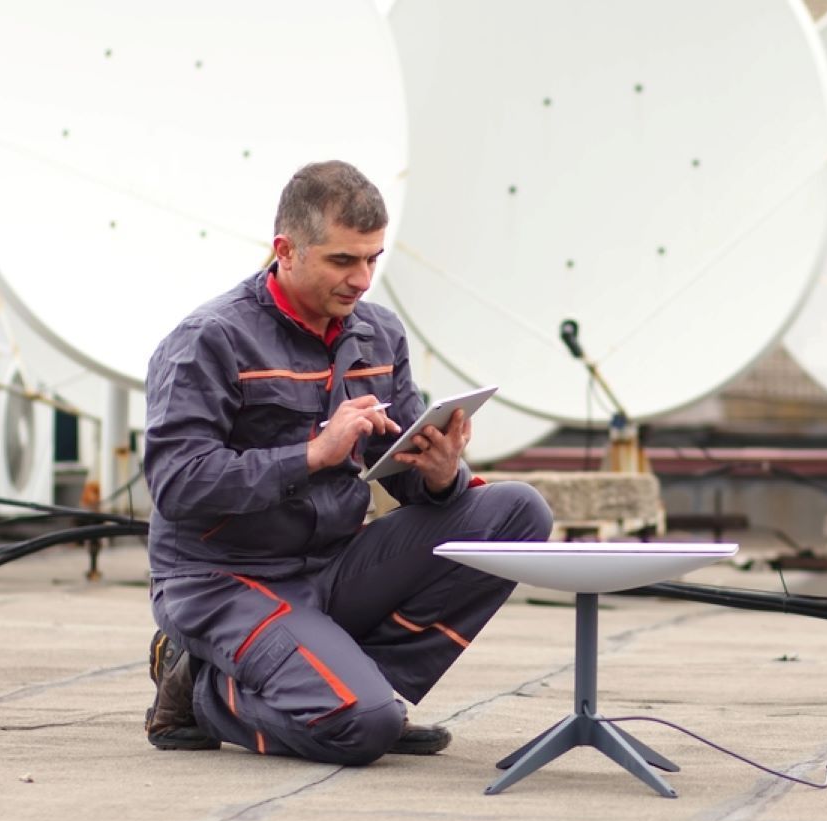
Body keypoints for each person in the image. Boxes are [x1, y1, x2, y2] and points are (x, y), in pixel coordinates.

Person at [143, 160, 552, 764]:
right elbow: (178, 484)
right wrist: (311, 455)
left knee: (516, 512)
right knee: (361, 730)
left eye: (372, 259)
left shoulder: (379, 335)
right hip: (226, 580)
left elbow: (404, 471)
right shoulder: (211, 338)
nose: (361, 279)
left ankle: (358, 684)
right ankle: (201, 691)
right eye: (342, 260)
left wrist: (442, 475)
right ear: (285, 250)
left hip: (331, 566)